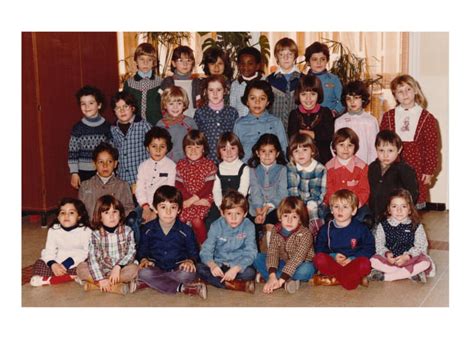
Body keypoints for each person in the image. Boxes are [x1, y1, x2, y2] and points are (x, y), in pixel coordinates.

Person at [380, 74, 440, 209]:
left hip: (417, 166)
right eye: (400, 91)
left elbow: (431, 147)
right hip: (393, 165)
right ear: (395, 95)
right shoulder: (388, 117)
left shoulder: (427, 118)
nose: (405, 94)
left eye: (408, 89)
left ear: (415, 91)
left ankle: (413, 228)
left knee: (414, 205)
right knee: (393, 202)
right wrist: (382, 165)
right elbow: (382, 144)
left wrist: (429, 171)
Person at [137, 185, 206, 299]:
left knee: (188, 273)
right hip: (156, 267)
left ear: (179, 210)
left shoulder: (186, 230)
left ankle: (151, 283)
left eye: (173, 207)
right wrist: (144, 259)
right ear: (155, 209)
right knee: (143, 272)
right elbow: (142, 251)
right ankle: (183, 288)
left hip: (178, 268)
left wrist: (190, 260)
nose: (168, 212)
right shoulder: (147, 229)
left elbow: (194, 252)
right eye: (163, 207)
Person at [369, 189, 436, 283]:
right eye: (394, 206)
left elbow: (421, 246)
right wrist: (387, 254)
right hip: (390, 260)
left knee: (425, 263)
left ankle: (388, 277)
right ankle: (409, 273)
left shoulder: (416, 225)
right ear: (389, 209)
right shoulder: (383, 226)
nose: (399, 210)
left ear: (409, 209)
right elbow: (379, 245)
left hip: (410, 258)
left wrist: (407, 256)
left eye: (403, 206)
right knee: (372, 261)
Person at [312, 189, 375, 290]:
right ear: (331, 210)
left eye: (345, 207)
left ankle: (334, 278)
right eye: (336, 207)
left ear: (354, 211)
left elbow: (370, 248)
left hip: (352, 262)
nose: (340, 210)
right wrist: (333, 256)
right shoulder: (325, 229)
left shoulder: (361, 228)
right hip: (334, 262)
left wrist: (352, 259)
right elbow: (319, 248)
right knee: (318, 259)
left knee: (365, 264)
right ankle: (350, 279)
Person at [76, 195, 138, 295]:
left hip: (121, 269)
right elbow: (93, 258)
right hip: (102, 268)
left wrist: (118, 266)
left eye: (115, 212)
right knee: (81, 267)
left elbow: (131, 252)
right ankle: (113, 286)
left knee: (134, 269)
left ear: (120, 214)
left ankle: (94, 285)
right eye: (106, 212)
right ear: (100, 217)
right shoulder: (95, 235)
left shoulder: (128, 231)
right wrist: (100, 278)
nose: (111, 216)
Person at [253, 196, 316, 294]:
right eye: (286, 216)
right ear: (280, 217)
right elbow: (272, 253)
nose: (289, 221)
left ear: (300, 220)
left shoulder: (306, 234)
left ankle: (280, 281)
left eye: (294, 217)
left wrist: (281, 279)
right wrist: (272, 275)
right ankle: (280, 281)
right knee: (257, 257)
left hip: (301, 264)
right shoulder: (275, 230)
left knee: (306, 270)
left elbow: (297, 259)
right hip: (283, 262)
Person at [198, 191, 257, 293]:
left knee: (250, 273)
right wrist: (212, 265)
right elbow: (206, 250)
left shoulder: (249, 226)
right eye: (229, 213)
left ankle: (217, 282)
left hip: (237, 265)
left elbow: (251, 252)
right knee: (199, 268)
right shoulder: (216, 226)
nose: (233, 218)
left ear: (245, 214)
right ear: (222, 213)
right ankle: (234, 285)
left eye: (238, 214)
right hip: (219, 264)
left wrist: (236, 268)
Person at [30, 198, 92, 287]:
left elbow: (86, 252)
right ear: (58, 217)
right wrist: (53, 264)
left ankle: (53, 279)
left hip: (76, 261)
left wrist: (66, 264)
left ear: (79, 216)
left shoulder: (85, 231)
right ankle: (69, 277)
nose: (66, 216)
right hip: (57, 262)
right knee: (40, 263)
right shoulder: (54, 230)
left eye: (71, 213)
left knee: (88, 265)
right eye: (62, 213)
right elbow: (49, 251)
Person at [134, 127, 176, 243]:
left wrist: (155, 210)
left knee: (156, 224)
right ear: (147, 148)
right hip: (144, 204)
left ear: (167, 149)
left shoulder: (171, 166)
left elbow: (169, 190)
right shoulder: (143, 166)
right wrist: (146, 207)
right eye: (154, 146)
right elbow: (140, 189)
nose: (158, 150)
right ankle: (138, 249)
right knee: (133, 220)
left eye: (162, 147)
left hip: (163, 205)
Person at [175, 130, 217, 245]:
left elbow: (208, 187)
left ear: (203, 149)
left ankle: (203, 245)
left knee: (196, 221)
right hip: (185, 198)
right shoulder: (181, 164)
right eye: (189, 147)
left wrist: (193, 200)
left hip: (203, 197)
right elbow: (179, 185)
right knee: (181, 220)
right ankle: (182, 246)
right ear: (184, 149)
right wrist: (188, 200)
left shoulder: (209, 164)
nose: (193, 151)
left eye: (197, 147)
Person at [247, 134, 288, 251]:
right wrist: (259, 209)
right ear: (257, 153)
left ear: (277, 153)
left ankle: (271, 253)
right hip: (256, 207)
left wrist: (267, 207)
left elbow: (282, 193)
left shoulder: (282, 169)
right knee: (250, 224)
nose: (267, 155)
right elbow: (254, 192)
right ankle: (254, 254)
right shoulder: (253, 170)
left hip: (275, 206)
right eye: (263, 151)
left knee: (272, 222)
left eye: (271, 151)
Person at [323, 128, 371, 226]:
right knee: (327, 216)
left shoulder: (362, 167)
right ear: (334, 147)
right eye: (341, 145)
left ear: (355, 147)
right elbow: (328, 190)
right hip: (335, 205)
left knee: (365, 218)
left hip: (355, 205)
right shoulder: (328, 167)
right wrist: (335, 205)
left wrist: (354, 206)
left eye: (350, 145)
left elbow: (364, 190)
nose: (346, 149)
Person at [368, 130, 419, 222]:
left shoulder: (404, 169)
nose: (385, 155)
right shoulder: (372, 167)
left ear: (399, 150)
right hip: (375, 213)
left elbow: (412, 193)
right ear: (376, 149)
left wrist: (403, 209)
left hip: (397, 215)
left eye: (390, 150)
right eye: (381, 150)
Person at [68, 85, 112, 189]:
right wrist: (74, 172)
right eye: (83, 104)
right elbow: (72, 152)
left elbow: (112, 152)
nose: (87, 107)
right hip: (84, 172)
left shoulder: (107, 127)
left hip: (103, 170)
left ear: (99, 105)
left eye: (91, 103)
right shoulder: (78, 128)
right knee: (87, 199)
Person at [233, 80, 288, 163]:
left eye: (262, 98)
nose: (257, 102)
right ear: (247, 101)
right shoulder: (239, 124)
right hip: (247, 170)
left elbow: (284, 149)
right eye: (253, 98)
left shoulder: (276, 122)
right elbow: (235, 152)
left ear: (268, 102)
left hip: (271, 170)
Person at [78, 142, 134, 220]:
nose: (105, 165)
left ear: (115, 164)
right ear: (94, 164)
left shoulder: (123, 186)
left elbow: (129, 209)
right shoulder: (85, 186)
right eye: (101, 162)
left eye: (109, 161)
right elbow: (80, 211)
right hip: (91, 229)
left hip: (115, 229)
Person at [206, 132, 250, 229]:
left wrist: (231, 209)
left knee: (243, 223)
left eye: (232, 148)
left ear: (239, 149)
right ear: (219, 152)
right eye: (224, 149)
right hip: (221, 203)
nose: (229, 152)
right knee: (210, 221)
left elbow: (243, 191)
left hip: (239, 204)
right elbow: (216, 191)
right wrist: (221, 207)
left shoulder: (244, 168)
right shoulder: (217, 168)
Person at [287, 75, 334, 164]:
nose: (308, 98)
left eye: (313, 94)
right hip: (301, 160)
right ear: (298, 95)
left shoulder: (325, 112)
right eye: (303, 94)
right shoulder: (294, 114)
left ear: (318, 94)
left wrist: (309, 133)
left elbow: (328, 136)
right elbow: (292, 137)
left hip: (323, 159)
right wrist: (316, 135)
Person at [110, 91, 151, 189]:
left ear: (133, 108)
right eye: (118, 108)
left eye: (125, 106)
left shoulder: (144, 126)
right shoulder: (113, 129)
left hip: (142, 179)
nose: (122, 111)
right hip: (122, 180)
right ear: (114, 111)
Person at [194, 75, 239, 165]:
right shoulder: (200, 112)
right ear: (205, 91)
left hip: (228, 159)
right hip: (207, 161)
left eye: (219, 90)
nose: (215, 94)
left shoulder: (232, 112)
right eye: (211, 90)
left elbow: (236, 137)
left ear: (225, 91)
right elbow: (196, 138)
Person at [287, 133, 327, 235]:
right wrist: (298, 206)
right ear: (292, 155)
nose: (301, 154)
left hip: (315, 202)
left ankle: (317, 236)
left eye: (305, 150)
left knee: (313, 211)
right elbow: (292, 189)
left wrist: (310, 204)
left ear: (312, 151)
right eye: (296, 151)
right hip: (297, 202)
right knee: (290, 213)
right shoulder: (291, 167)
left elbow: (318, 192)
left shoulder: (319, 168)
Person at [334, 80, 379, 164]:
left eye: (356, 98)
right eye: (348, 99)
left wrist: (372, 168)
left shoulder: (370, 121)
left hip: (366, 164)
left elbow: (374, 148)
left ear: (363, 99)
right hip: (345, 165)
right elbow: (336, 146)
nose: (352, 102)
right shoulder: (340, 121)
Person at [122, 42, 162, 125]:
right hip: (135, 126)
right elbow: (124, 106)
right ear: (136, 61)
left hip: (156, 125)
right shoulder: (129, 84)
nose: (145, 63)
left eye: (149, 60)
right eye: (142, 59)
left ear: (154, 62)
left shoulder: (160, 82)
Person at [266, 37, 301, 130]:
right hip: (274, 128)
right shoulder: (269, 80)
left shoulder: (303, 79)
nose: (286, 58)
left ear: (295, 56)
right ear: (276, 57)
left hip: (298, 128)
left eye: (290, 54)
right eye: (281, 54)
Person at [157, 86, 198, 163]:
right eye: (171, 103)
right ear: (165, 105)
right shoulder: (160, 124)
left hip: (187, 162)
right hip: (166, 163)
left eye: (179, 103)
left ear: (184, 105)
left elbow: (196, 143)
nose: (175, 107)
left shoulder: (190, 122)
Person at [304, 41, 344, 117]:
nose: (319, 63)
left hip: (329, 118)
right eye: (314, 59)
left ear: (327, 60)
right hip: (308, 118)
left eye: (322, 59)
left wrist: (334, 112)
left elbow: (343, 99)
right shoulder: (303, 79)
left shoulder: (334, 79)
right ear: (308, 62)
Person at [160, 45, 201, 117]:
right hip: (172, 120)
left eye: (188, 60)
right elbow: (161, 103)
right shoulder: (167, 82)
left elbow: (200, 104)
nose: (185, 64)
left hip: (192, 120)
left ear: (193, 63)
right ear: (173, 63)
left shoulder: (197, 82)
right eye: (180, 60)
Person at [229, 46, 264, 118]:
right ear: (238, 65)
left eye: (250, 64)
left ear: (257, 66)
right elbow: (232, 107)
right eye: (242, 64)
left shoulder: (264, 82)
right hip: (241, 124)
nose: (245, 67)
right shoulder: (235, 85)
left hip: (260, 123)